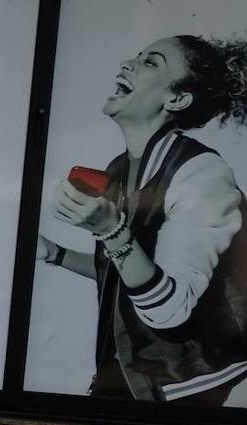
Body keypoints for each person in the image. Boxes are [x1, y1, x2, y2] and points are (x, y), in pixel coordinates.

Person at [37, 35, 247, 404]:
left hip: (186, 385)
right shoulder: (119, 169)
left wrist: (111, 231)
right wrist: (51, 253)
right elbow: (121, 273)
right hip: (132, 373)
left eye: (151, 62)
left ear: (177, 99)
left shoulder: (203, 174)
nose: (128, 63)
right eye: (136, 56)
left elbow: (169, 311)